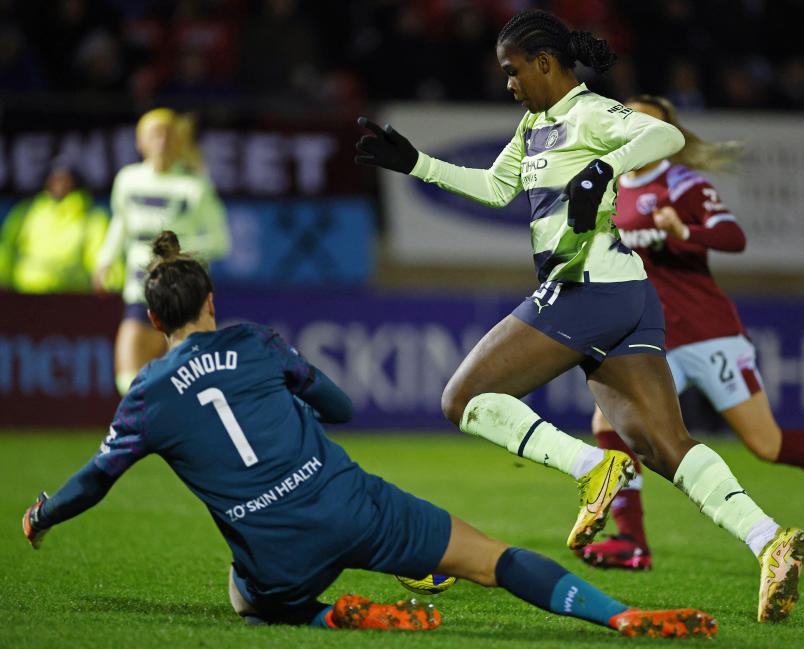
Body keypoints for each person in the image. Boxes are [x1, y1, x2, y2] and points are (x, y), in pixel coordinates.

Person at [21, 230, 717, 640]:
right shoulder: (255, 342)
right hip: (352, 504)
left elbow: (95, 479)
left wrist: (44, 512)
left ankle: (331, 615)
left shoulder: (145, 394)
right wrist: (293, 385)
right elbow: (342, 404)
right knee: (492, 557)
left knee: (245, 597)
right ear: (210, 300)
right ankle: (621, 616)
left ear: (150, 316)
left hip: (276, 554)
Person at [355, 9, 804, 624]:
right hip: (627, 296)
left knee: (462, 399)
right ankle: (769, 541)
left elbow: (667, 138)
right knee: (663, 444)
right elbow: (495, 188)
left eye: (513, 71)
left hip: (587, 286)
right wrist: (416, 165)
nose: (509, 83)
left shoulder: (592, 111)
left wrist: (606, 166)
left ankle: (591, 467)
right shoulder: (533, 125)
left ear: (545, 63)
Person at [576, 95, 804, 572]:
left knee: (766, 444)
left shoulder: (682, 183)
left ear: (670, 136)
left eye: (653, 124)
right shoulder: (611, 188)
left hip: (708, 335)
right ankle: (633, 542)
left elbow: (734, 237)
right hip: (653, 337)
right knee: (609, 426)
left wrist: (684, 232)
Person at [93, 108, 230, 396]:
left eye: (168, 134)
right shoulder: (128, 180)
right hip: (139, 293)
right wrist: (105, 260)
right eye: (155, 134)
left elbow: (220, 241)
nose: (162, 141)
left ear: (179, 141)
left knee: (189, 382)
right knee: (129, 380)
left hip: (184, 299)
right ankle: (147, 432)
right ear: (139, 141)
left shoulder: (195, 187)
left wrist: (178, 255)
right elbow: (121, 223)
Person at [0, 156, 116, 293]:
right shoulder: (25, 212)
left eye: (65, 178)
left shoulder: (92, 217)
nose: (59, 183)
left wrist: (108, 286)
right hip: (26, 297)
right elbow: (6, 250)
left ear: (75, 182)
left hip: (72, 298)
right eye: (54, 177)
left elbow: (101, 257)